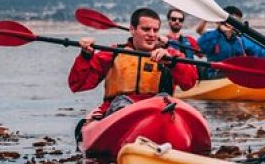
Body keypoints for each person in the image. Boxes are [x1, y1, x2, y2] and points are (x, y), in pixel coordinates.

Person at [68, 7, 197, 117]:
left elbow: (189, 84)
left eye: (155, 30)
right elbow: (78, 85)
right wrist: (85, 56)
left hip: (156, 109)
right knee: (122, 101)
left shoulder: (169, 55)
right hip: (121, 109)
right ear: (132, 29)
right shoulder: (113, 53)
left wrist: (172, 62)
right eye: (146, 29)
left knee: (164, 98)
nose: (152, 34)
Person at [196, 5, 265, 78]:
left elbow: (257, 51)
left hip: (237, 75)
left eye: (238, 22)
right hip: (216, 75)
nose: (236, 25)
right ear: (224, 21)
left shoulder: (240, 39)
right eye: (234, 22)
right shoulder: (213, 36)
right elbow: (201, 45)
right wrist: (220, 26)